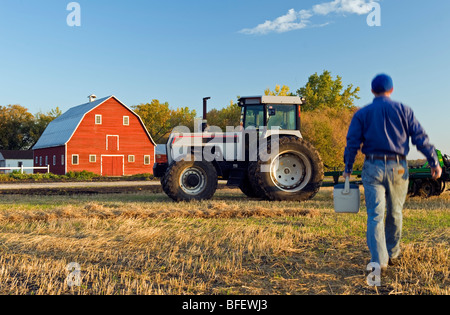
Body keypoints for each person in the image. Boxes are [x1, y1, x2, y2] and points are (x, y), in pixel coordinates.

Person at [343, 74, 442, 272]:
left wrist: (348, 167)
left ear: (372, 91)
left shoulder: (362, 114)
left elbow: (352, 142)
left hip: (372, 167)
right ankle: (393, 252)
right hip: (398, 167)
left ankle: (380, 261)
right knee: (395, 212)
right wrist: (434, 161)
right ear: (392, 89)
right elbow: (420, 138)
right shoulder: (404, 110)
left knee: (375, 215)